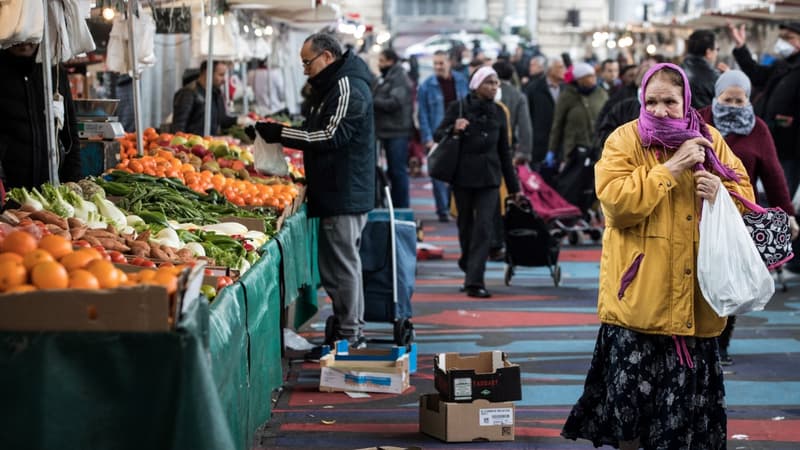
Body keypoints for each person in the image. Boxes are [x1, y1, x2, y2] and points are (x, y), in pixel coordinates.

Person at [562, 63, 753, 449]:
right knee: (631, 420)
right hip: (638, 305)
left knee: (686, 425)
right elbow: (616, 205)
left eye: (670, 101)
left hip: (696, 303)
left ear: (687, 103)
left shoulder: (710, 140)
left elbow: (745, 196)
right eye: (652, 102)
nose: (661, 110)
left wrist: (720, 191)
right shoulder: (624, 140)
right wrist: (670, 168)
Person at [247, 33, 376, 348]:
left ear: (328, 57)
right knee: (336, 266)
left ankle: (351, 333)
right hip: (334, 189)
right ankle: (348, 329)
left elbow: (331, 135)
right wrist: (282, 132)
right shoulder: (331, 86)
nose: (304, 69)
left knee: (343, 266)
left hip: (344, 191)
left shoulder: (348, 86)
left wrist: (281, 134)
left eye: (308, 62)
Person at [698, 70, 799, 365]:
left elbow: (773, 173)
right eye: (726, 99)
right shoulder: (699, 120)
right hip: (698, 211)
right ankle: (696, 338)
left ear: (748, 99)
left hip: (737, 216)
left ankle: (721, 342)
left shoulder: (758, 129)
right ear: (716, 97)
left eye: (739, 100)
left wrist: (787, 215)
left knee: (727, 278)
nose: (733, 105)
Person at [434, 67, 522, 298]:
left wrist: (514, 188)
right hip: (462, 177)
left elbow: (505, 152)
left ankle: (475, 281)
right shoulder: (459, 107)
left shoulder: (500, 113)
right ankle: (468, 263)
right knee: (466, 227)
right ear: (477, 85)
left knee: (484, 228)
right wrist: (454, 128)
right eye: (489, 83)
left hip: (490, 180)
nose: (494, 87)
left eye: (496, 83)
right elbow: (437, 134)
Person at [729, 21, 800, 197]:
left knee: (781, 195)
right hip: (770, 139)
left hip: (791, 146)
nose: (783, 42)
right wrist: (741, 48)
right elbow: (758, 75)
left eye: (789, 38)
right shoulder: (783, 65)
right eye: (781, 37)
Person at [0, 43, 81, 190]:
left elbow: (70, 131)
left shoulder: (55, 73)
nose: (23, 42)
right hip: (8, 188)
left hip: (52, 187)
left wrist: (74, 178)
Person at [548, 62, 608, 211]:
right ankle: (575, 214)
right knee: (575, 184)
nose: (593, 79)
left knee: (598, 183)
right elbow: (557, 125)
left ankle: (595, 213)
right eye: (589, 76)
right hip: (574, 150)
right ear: (580, 79)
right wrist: (552, 151)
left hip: (599, 149)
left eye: (593, 76)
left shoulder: (601, 94)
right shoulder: (567, 96)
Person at [418, 49, 469, 222]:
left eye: (441, 63)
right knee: (438, 174)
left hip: (458, 133)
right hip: (436, 135)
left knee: (458, 173)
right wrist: (427, 139)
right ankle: (442, 209)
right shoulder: (426, 86)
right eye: (435, 63)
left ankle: (454, 206)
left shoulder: (461, 81)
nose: (438, 67)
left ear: (449, 63)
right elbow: (422, 114)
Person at [373, 48, 413, 208]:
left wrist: (373, 100)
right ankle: (394, 205)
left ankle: (401, 207)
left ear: (391, 61)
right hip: (385, 130)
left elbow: (395, 103)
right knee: (392, 171)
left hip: (397, 131)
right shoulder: (386, 77)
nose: (379, 64)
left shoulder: (399, 78)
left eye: (382, 61)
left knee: (397, 171)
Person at [172, 60, 238, 136]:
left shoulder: (216, 93)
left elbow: (222, 120)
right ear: (207, 73)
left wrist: (238, 120)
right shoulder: (188, 93)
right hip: (192, 145)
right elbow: (178, 128)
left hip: (209, 143)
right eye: (221, 75)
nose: (224, 80)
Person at [525, 56, 566, 166]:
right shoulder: (534, 89)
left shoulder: (566, 89)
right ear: (550, 70)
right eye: (560, 67)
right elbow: (527, 116)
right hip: (540, 144)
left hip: (561, 145)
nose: (564, 71)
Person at [682, 29, 720, 109]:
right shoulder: (714, 77)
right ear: (709, 52)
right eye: (717, 49)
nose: (717, 53)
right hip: (704, 120)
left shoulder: (677, 70)